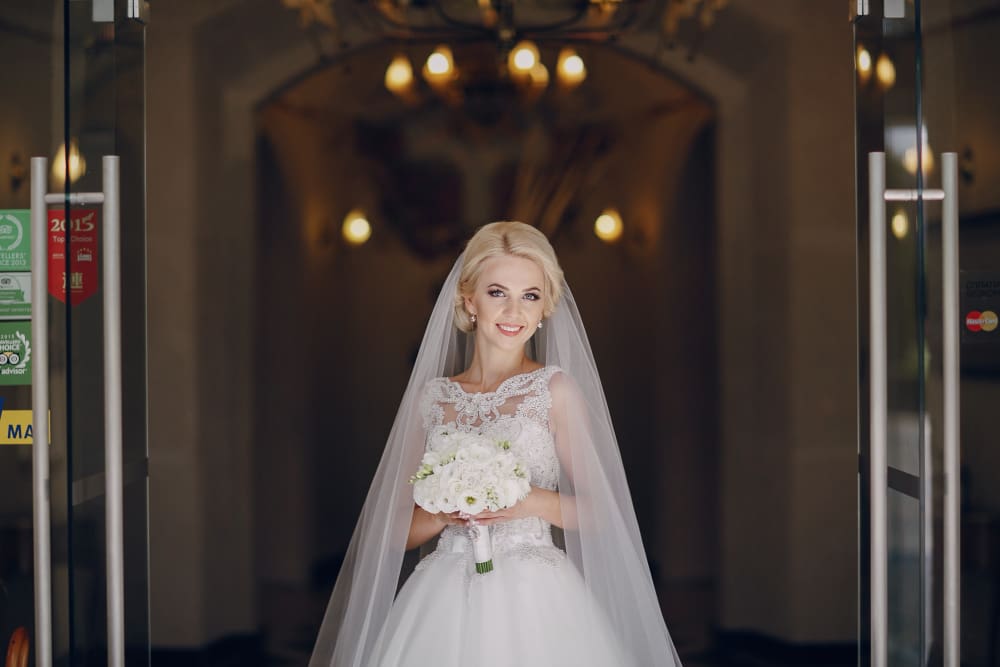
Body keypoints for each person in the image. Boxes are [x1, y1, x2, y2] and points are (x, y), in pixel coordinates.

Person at [310, 221, 681, 667]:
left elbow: (606, 512)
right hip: (442, 595)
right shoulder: (434, 398)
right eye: (497, 293)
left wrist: (528, 501)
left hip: (536, 598)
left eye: (530, 295)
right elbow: (392, 531)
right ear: (469, 300)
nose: (514, 312)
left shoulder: (554, 391)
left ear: (545, 306)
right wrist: (445, 510)